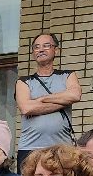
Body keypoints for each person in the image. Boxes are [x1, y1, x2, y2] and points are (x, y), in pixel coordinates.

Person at [15, 33, 81, 161]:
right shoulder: (23, 81)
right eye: (36, 47)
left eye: (46, 46)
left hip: (62, 147)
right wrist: (63, 101)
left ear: (56, 50)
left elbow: (75, 95)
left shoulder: (67, 75)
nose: (40, 50)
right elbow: (26, 108)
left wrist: (41, 99)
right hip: (30, 147)